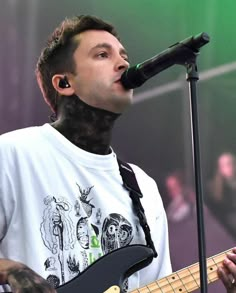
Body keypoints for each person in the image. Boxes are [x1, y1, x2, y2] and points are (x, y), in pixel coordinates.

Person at [0, 14, 235, 293]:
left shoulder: (143, 187)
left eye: (123, 55)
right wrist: (12, 269)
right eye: (102, 54)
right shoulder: (13, 154)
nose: (123, 63)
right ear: (64, 84)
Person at [206, 152, 236, 239]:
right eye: (224, 165)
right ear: (219, 168)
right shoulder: (213, 189)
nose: (228, 168)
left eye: (230, 164)